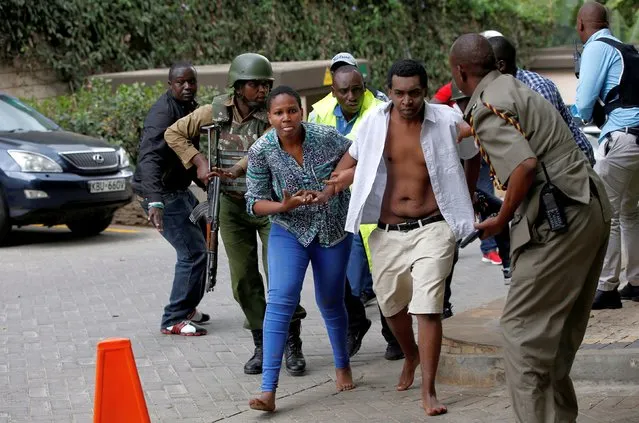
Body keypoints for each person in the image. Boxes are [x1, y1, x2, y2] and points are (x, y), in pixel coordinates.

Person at [450, 33, 611, 422]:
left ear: (459, 72)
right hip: (589, 206)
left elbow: (523, 165)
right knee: (553, 341)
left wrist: (501, 219)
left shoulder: (486, 106)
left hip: (561, 219)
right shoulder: (513, 86)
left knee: (520, 336)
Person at [328, 59, 479, 416]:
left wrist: (467, 197)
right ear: (389, 92)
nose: (407, 100)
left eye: (414, 93)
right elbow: (348, 162)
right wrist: (337, 182)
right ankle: (410, 355)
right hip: (387, 231)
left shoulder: (447, 120)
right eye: (399, 93)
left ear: (425, 91)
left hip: (434, 227)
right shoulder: (374, 122)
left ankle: (428, 389)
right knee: (391, 307)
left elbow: (473, 155)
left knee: (428, 307)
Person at [164, 53, 307, 375]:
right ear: (238, 86)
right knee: (243, 279)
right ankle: (262, 342)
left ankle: (291, 341)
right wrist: (198, 161)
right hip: (230, 205)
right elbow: (173, 133)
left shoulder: (272, 112)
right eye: (256, 84)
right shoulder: (214, 111)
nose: (262, 89)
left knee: (281, 278)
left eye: (266, 84)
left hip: (272, 204)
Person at [246, 85, 355, 412]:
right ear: (270, 117)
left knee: (330, 300)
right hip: (288, 229)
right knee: (280, 299)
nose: (286, 118)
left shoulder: (327, 137)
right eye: (279, 113)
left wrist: (335, 184)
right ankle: (268, 390)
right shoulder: (261, 150)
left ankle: (342, 364)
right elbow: (253, 203)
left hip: (332, 229)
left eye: (291, 110)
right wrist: (283, 205)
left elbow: (359, 156)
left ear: (301, 111)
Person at [308, 62, 403, 360]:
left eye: (357, 90)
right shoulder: (319, 112)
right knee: (338, 276)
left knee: (383, 274)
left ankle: (394, 335)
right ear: (333, 92)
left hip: (373, 204)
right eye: (344, 91)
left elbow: (390, 156)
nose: (352, 96)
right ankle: (356, 323)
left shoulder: (381, 112)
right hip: (334, 206)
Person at [132, 62, 209, 336]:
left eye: (191, 82)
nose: (187, 87)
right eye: (181, 83)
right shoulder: (162, 114)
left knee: (203, 239)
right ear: (170, 85)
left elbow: (188, 153)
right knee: (193, 252)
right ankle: (173, 318)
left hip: (178, 188)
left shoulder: (189, 108)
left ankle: (188, 307)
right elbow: (150, 158)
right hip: (162, 193)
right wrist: (155, 201)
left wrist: (206, 180)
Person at [572, 1, 639, 309]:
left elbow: (584, 105)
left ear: (581, 25)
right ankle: (636, 282)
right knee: (630, 212)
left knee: (605, 214)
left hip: (622, 140)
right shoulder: (626, 49)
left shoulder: (596, 49)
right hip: (636, 140)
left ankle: (607, 287)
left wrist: (570, 115)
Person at [487, 35, 596, 166]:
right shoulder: (500, 92)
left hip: (572, 164)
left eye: (484, 65)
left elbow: (550, 140)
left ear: (501, 66)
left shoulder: (537, 88)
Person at [450, 83, 512, 284]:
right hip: (450, 186)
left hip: (470, 181)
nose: (468, 105)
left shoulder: (481, 113)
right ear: (458, 102)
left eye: (470, 100)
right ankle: (444, 297)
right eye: (464, 101)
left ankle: (507, 263)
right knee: (449, 243)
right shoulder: (451, 121)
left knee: (497, 211)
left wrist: (470, 193)